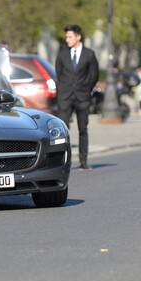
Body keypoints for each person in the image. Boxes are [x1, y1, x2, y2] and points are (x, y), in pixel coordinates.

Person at [55, 24, 99, 171]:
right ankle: (61, 162)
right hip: (65, 97)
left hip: (82, 97)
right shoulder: (62, 54)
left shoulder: (89, 54)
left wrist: (86, 89)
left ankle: (83, 161)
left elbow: (94, 75)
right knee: (61, 129)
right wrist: (62, 90)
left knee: (83, 129)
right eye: (66, 37)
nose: (67, 39)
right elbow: (59, 74)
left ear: (78, 37)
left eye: (70, 36)